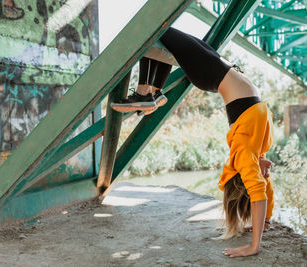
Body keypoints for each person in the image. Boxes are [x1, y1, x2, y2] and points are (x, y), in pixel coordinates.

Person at [111, 27, 275, 258]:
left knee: (158, 31)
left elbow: (259, 194)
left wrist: (254, 246)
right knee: (162, 34)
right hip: (218, 69)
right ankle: (151, 94)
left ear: (242, 178)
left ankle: (146, 93)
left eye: (258, 175)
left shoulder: (243, 154)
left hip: (211, 74)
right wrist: (266, 222)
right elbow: (265, 188)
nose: (264, 173)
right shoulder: (258, 151)